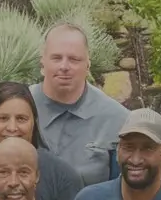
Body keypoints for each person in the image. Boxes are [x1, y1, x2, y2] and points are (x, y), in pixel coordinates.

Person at [30, 24, 129, 187]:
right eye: (56, 58)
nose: (64, 67)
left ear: (88, 65)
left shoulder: (117, 119)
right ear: (42, 63)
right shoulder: (20, 108)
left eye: (74, 59)